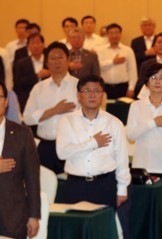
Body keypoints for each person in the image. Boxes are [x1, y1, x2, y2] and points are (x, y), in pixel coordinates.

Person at [56, 75, 131, 208]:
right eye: (87, 91)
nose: (92, 95)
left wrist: (122, 189)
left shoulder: (114, 123)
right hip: (75, 185)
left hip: (105, 185)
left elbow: (122, 159)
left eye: (96, 91)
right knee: (76, 227)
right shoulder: (67, 121)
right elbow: (62, 153)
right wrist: (93, 143)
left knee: (104, 227)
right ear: (78, 95)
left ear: (102, 95)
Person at [23, 41, 79, 174]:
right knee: (45, 186)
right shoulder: (39, 88)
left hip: (72, 145)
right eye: (52, 58)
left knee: (68, 188)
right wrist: (55, 110)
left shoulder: (79, 86)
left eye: (60, 57)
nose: (57, 61)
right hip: (45, 147)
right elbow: (27, 118)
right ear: (47, 63)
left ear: (68, 60)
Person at [0, 81, 40, 239]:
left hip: (13, 217)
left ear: (6, 101)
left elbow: (32, 178)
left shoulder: (22, 133)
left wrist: (34, 215)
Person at [96, 23, 137, 99]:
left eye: (116, 33)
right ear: (107, 35)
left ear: (120, 34)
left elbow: (132, 70)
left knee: (122, 110)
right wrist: (112, 62)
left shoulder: (128, 50)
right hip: (104, 87)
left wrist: (131, 88)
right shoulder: (100, 50)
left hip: (123, 87)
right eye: (111, 33)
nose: (114, 35)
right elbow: (98, 66)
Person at [13, 33, 49, 112]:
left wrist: (50, 73)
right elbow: (18, 82)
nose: (35, 46)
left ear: (43, 45)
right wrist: (37, 76)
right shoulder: (21, 63)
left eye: (38, 42)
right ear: (28, 46)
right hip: (27, 99)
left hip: (48, 98)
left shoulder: (50, 61)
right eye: (33, 43)